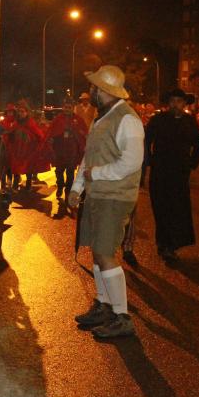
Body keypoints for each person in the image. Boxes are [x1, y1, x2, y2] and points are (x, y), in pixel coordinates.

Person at [68, 65, 144, 338]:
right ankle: (104, 305)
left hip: (115, 196)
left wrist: (96, 174)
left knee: (104, 254)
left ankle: (122, 316)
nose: (91, 92)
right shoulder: (102, 119)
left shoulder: (128, 120)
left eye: (95, 88)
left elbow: (132, 162)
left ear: (106, 91)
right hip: (98, 195)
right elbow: (89, 157)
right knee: (97, 254)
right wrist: (77, 188)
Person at [145, 88, 199, 261]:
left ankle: (170, 245)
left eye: (179, 101)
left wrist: (191, 164)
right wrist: (149, 161)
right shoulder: (157, 120)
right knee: (160, 208)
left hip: (180, 175)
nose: (175, 105)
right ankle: (162, 243)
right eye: (172, 101)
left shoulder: (190, 122)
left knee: (177, 209)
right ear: (168, 103)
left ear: (184, 104)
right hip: (159, 173)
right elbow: (146, 141)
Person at [46, 98, 87, 203]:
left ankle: (68, 192)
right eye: (66, 107)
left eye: (69, 107)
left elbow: (83, 134)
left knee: (70, 174)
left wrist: (75, 132)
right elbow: (51, 132)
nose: (67, 109)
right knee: (59, 172)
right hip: (59, 151)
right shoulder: (58, 119)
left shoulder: (78, 119)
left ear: (72, 108)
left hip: (72, 152)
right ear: (63, 107)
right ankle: (60, 186)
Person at [7, 102, 45, 191]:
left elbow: (38, 134)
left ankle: (28, 185)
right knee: (16, 169)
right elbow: (11, 134)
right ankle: (15, 186)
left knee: (28, 169)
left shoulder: (30, 123)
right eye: (19, 111)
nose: (21, 113)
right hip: (17, 151)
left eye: (22, 111)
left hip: (28, 152)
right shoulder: (16, 123)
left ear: (27, 113)